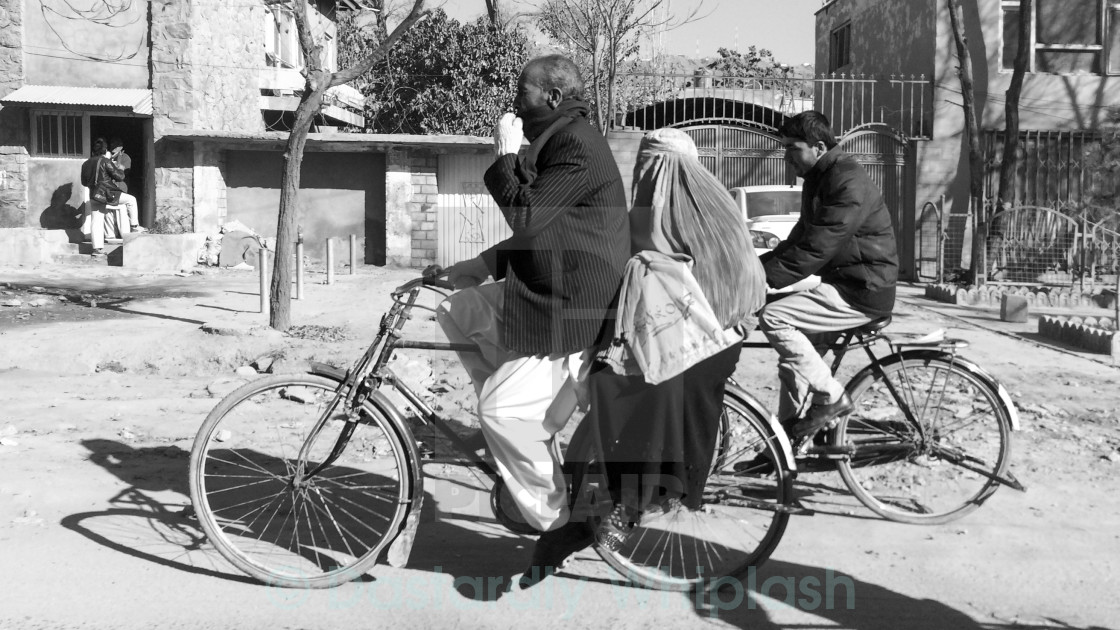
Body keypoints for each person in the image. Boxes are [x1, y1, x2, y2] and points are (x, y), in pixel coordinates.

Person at [433, 54, 630, 586]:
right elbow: (537, 232)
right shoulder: (556, 141)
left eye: (522, 90)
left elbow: (526, 216)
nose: (513, 99)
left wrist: (504, 154)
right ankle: (531, 415)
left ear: (553, 97)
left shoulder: (575, 145)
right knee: (459, 308)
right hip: (546, 284)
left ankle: (557, 520)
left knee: (496, 410)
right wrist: (474, 268)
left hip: (570, 302)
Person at [578, 128, 767, 550]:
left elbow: (633, 256)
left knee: (614, 385)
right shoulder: (717, 201)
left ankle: (628, 504)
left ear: (656, 166)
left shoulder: (659, 209)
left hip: (697, 338)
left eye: (645, 165)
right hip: (730, 331)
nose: (642, 175)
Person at [758, 111, 899, 438]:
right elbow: (799, 241)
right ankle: (784, 445)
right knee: (794, 362)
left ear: (818, 147)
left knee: (775, 317)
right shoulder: (820, 178)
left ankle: (832, 398)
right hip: (846, 282)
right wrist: (751, 270)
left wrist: (762, 279)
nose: (787, 157)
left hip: (862, 290)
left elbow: (816, 248)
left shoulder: (846, 180)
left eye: (793, 149)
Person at [80, 138, 130, 256]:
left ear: (93, 151)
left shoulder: (85, 164)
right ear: (105, 150)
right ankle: (135, 226)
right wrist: (121, 169)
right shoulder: (105, 161)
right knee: (131, 200)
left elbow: (84, 182)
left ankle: (97, 250)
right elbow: (119, 177)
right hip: (107, 194)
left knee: (96, 221)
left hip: (94, 195)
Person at [108, 137, 146, 234]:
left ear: (121, 147)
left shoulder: (125, 157)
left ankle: (129, 229)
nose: (113, 147)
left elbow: (123, 173)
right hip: (109, 188)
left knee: (124, 209)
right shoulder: (107, 158)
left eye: (116, 145)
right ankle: (113, 232)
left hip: (120, 186)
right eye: (112, 144)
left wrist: (117, 163)